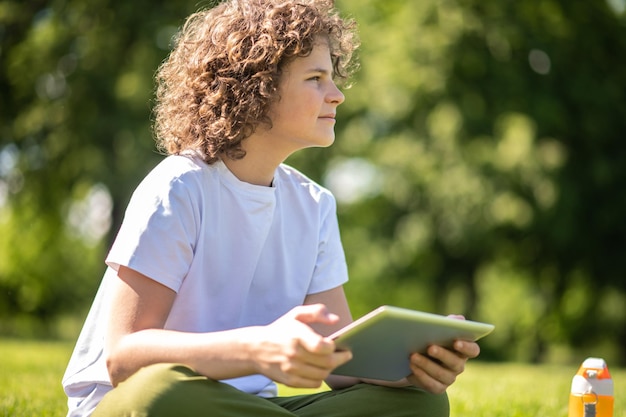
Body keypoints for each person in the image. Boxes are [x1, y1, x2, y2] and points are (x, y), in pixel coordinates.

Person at [62, 0, 480, 416]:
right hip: (141, 403)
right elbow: (123, 359)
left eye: (332, 79)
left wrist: (411, 365)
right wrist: (256, 348)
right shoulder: (179, 188)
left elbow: (338, 363)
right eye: (316, 78)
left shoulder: (315, 206)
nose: (336, 96)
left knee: (422, 402)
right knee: (160, 391)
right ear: (255, 87)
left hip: (245, 409)